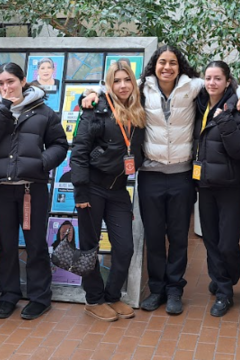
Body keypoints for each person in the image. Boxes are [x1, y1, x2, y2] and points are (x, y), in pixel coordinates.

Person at [81, 45, 240, 315]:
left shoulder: (192, 86)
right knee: (154, 236)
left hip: (182, 176)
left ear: (179, 65)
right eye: (163, 62)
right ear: (155, 64)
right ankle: (157, 289)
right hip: (150, 176)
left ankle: (175, 290)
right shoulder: (142, 86)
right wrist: (90, 93)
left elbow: (221, 84)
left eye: (172, 62)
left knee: (178, 237)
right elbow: (114, 86)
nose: (167, 67)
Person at [0, 62, 68, 320]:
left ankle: (39, 298)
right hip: (0, 190)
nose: (6, 87)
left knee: (36, 245)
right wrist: (3, 108)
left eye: (11, 81)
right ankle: (8, 295)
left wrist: (40, 163)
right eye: (0, 83)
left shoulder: (43, 111)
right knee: (5, 245)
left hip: (32, 189)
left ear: (23, 81)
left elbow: (59, 144)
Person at [70, 59, 145, 322]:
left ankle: (112, 296)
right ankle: (94, 299)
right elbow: (79, 152)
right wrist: (80, 193)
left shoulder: (138, 110)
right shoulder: (96, 108)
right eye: (117, 81)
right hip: (92, 188)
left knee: (125, 248)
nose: (122, 85)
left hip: (118, 190)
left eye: (127, 80)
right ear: (108, 85)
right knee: (89, 248)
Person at [191, 61, 240, 317]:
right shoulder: (198, 105)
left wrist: (225, 119)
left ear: (228, 81)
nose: (212, 83)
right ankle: (224, 289)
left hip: (231, 187)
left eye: (218, 78)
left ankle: (226, 278)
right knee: (211, 240)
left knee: (227, 243)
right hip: (205, 185)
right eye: (208, 78)